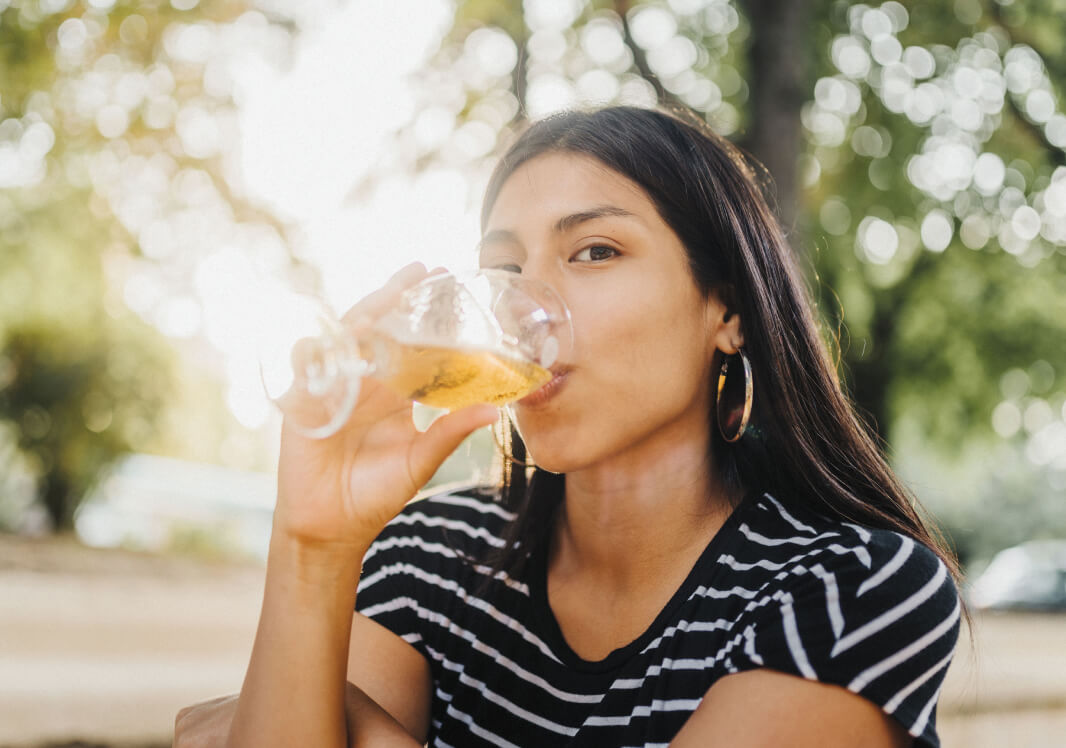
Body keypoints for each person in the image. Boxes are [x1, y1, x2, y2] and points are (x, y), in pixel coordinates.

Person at [175, 106, 962, 747]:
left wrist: (376, 742)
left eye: (593, 251)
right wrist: (313, 546)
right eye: (506, 272)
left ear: (727, 310)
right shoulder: (430, 559)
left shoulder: (852, 586)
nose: (528, 308)